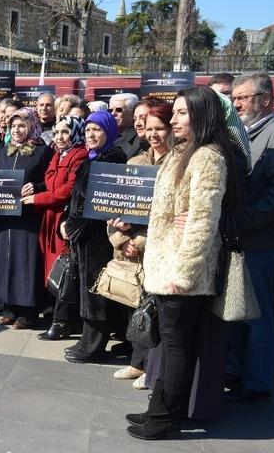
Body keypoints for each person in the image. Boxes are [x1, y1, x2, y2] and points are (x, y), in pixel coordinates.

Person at [126, 86, 239, 440]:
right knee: (167, 345)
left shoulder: (208, 157)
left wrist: (184, 275)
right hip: (164, 264)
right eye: (173, 113)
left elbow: (204, 223)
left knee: (177, 347)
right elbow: (168, 214)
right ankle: (156, 409)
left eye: (181, 113)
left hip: (182, 271)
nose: (173, 120)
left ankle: (166, 418)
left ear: (202, 115)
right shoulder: (181, 153)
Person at [226, 74, 274, 402]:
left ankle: (258, 382)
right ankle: (236, 371)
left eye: (243, 98)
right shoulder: (244, 134)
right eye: (235, 97)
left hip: (261, 242)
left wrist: (246, 219)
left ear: (265, 100)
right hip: (242, 241)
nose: (237, 104)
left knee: (257, 316)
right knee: (237, 311)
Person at [106, 102, 174, 389]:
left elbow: (170, 217)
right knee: (140, 310)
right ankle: (137, 362)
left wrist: (141, 242)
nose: (154, 134)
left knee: (158, 311)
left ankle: (153, 367)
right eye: (150, 128)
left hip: (161, 251)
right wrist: (120, 240)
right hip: (133, 252)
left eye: (160, 128)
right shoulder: (136, 164)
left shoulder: (176, 165)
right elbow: (113, 207)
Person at [61, 110, 126, 364]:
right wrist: (68, 221)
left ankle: (94, 346)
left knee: (95, 290)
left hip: (97, 236)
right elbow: (77, 198)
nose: (90, 134)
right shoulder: (92, 158)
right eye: (88, 130)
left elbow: (98, 204)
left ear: (109, 131)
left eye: (97, 129)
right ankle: (87, 340)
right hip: (83, 236)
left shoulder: (112, 158)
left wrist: (74, 225)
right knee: (87, 288)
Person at [0, 108, 53, 328]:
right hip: (4, 216)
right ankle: (9, 307)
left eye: (22, 125)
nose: (17, 130)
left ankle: (27, 312)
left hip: (27, 217)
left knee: (25, 262)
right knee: (4, 260)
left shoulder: (42, 151)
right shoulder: (3, 149)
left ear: (31, 126)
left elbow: (49, 182)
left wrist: (37, 186)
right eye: (13, 125)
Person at [31, 116, 89, 341]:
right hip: (50, 217)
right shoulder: (58, 154)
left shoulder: (80, 154)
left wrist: (37, 198)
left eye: (65, 132)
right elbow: (50, 183)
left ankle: (62, 320)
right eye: (56, 133)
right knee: (54, 269)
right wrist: (35, 188)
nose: (59, 137)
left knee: (63, 269)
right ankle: (59, 314)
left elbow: (67, 190)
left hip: (63, 217)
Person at [109, 93, 141, 159]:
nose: (113, 113)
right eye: (110, 110)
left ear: (133, 112)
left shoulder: (140, 139)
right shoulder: (105, 134)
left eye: (118, 110)